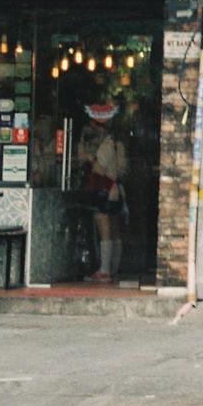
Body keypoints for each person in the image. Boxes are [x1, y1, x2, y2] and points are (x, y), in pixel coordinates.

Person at [85, 111, 128, 282]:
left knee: (104, 229)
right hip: (117, 188)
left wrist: (89, 158)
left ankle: (105, 271)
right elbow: (124, 169)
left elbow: (100, 169)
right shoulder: (120, 144)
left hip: (105, 188)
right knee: (114, 229)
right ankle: (114, 268)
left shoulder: (107, 144)